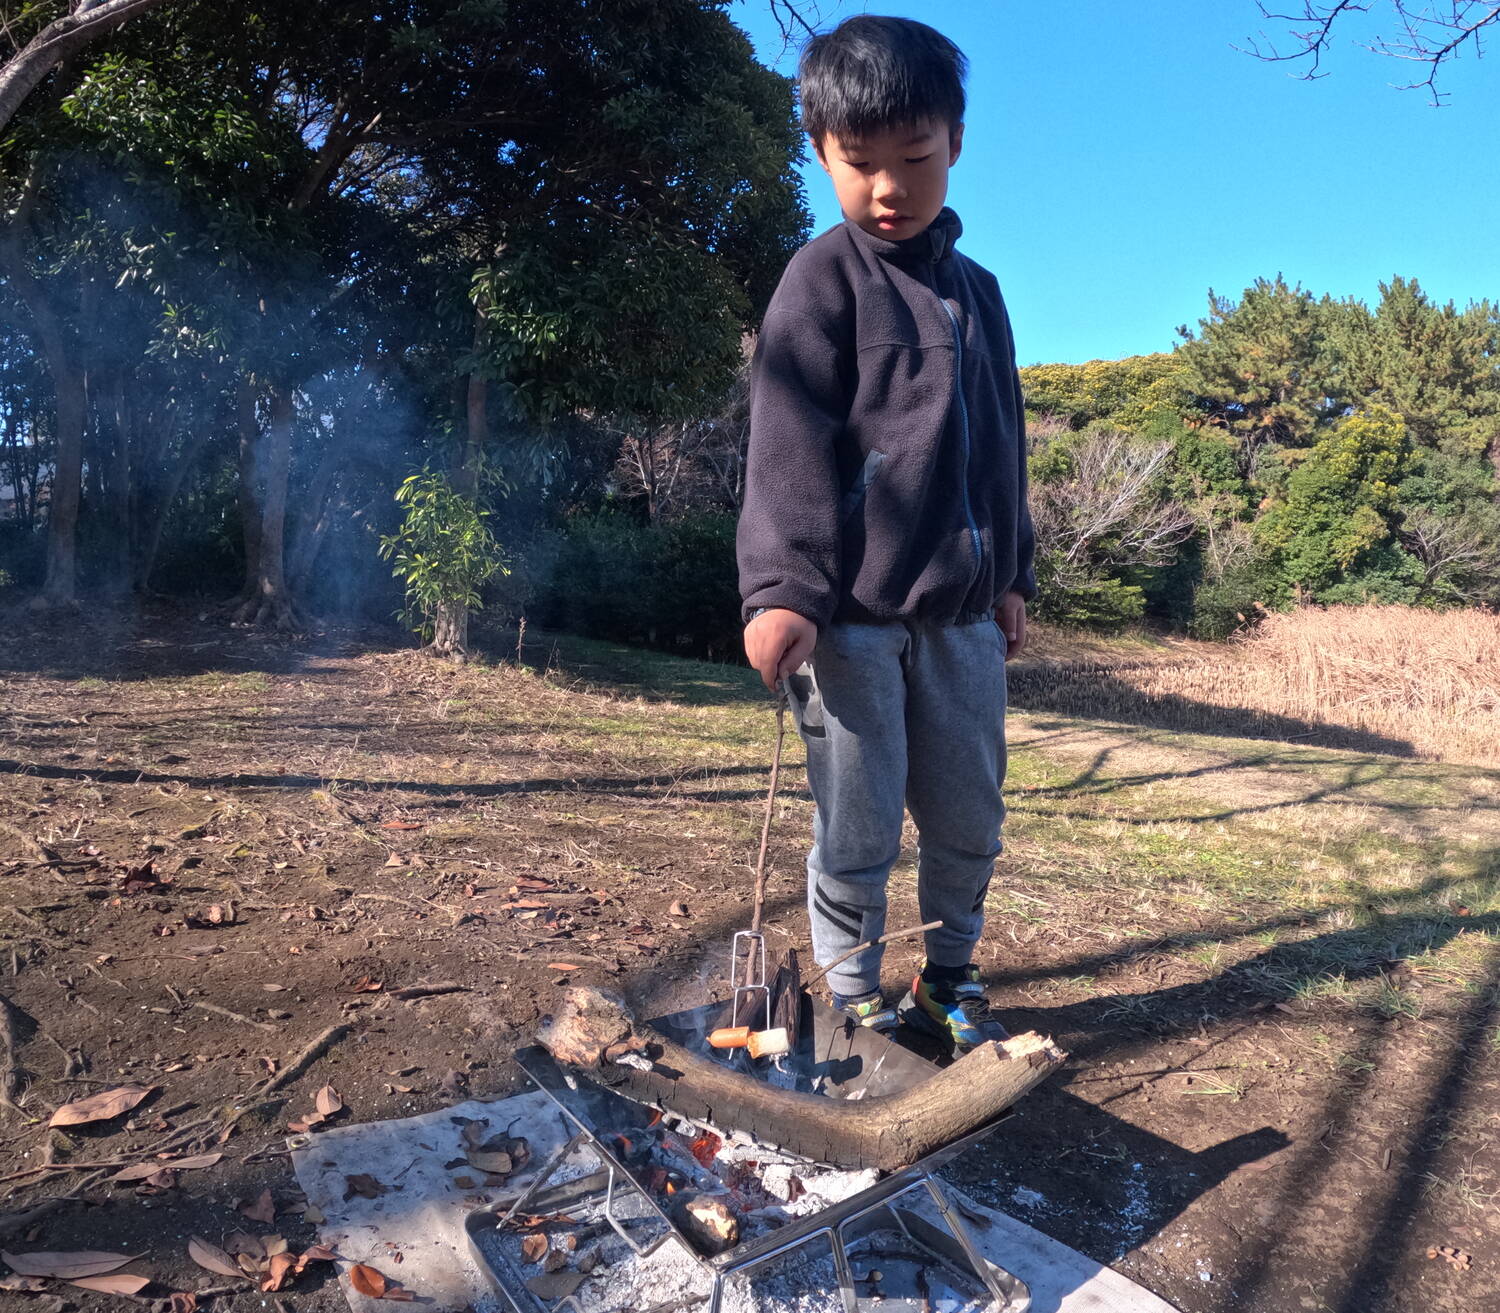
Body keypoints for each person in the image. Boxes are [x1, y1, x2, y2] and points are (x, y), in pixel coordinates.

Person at [736, 14, 1035, 1053]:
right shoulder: (818, 281)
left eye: (914, 158)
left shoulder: (981, 296)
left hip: (961, 619)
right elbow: (786, 445)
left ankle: (949, 973)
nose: (888, 188)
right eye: (859, 163)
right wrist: (782, 590)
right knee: (857, 819)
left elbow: (1003, 444)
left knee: (969, 813)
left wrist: (1011, 573)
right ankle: (852, 987)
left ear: (956, 142)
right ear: (821, 150)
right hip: (853, 621)